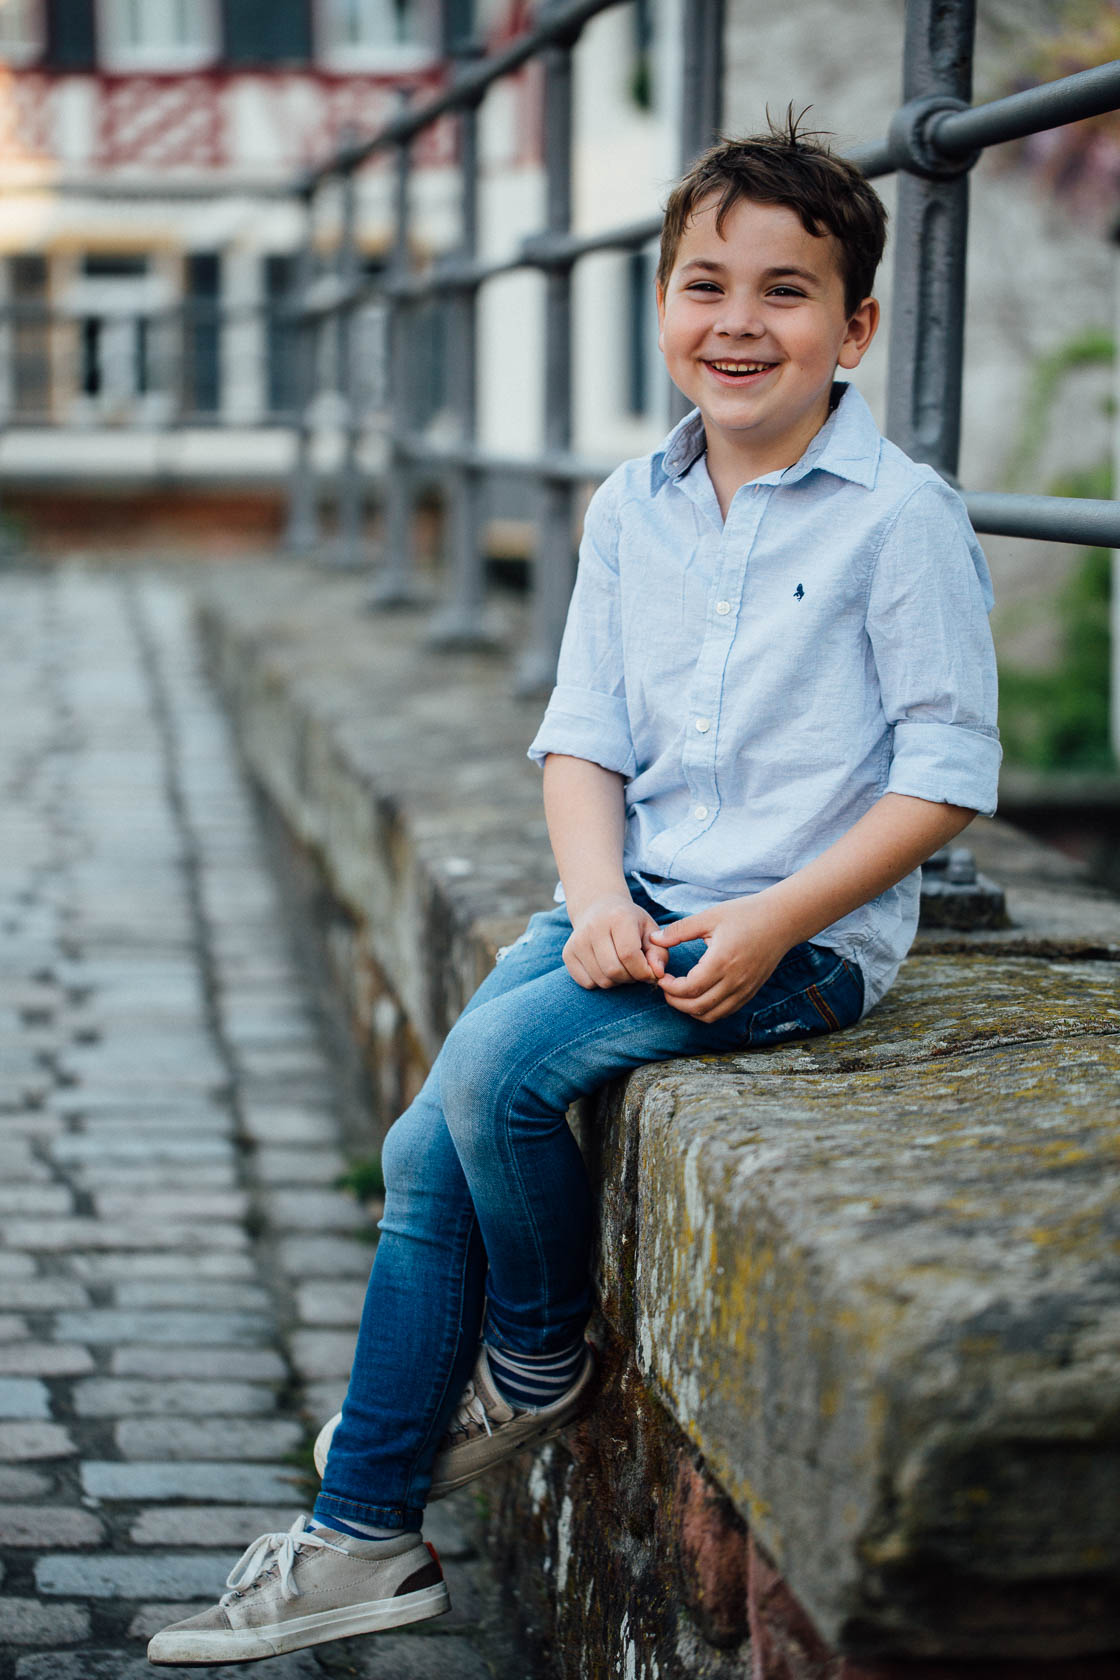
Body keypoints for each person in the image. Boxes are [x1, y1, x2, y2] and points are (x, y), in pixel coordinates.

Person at [147, 112, 1000, 1666]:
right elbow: (583, 741)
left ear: (855, 324)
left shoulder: (902, 519)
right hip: (636, 890)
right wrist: (593, 895)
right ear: (661, 304)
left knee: (496, 1078)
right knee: (426, 1138)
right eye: (704, 283)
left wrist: (772, 922)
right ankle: (367, 1541)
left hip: (792, 937)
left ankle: (531, 1366)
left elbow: (943, 774)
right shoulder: (633, 506)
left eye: (786, 291)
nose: (738, 322)